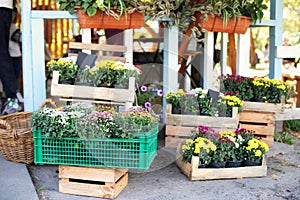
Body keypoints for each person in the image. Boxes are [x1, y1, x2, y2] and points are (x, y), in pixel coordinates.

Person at [0, 0, 21, 115]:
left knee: (1, 54)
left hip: (2, 8)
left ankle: (12, 99)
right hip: (4, 8)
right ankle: (11, 99)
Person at [9, 6, 23, 103]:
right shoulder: (14, 27)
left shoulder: (5, 27)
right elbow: (21, 39)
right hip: (15, 55)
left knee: (10, 77)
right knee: (15, 76)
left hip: (9, 55)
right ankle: (16, 94)